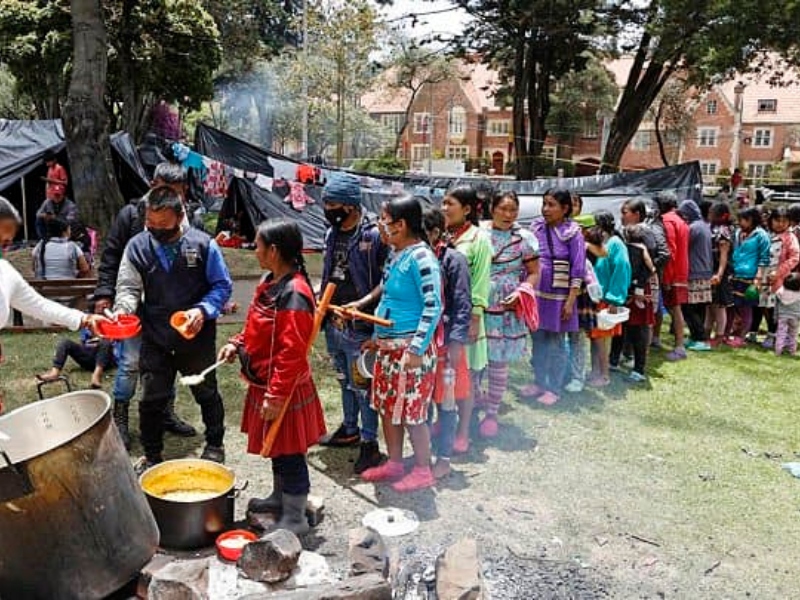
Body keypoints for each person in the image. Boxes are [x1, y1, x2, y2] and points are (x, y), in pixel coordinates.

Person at [218, 219, 326, 535]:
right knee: (278, 447)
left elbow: (291, 353)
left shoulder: (295, 293)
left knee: (290, 452)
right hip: (267, 385)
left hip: (285, 390)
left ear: (274, 250)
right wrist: (235, 344)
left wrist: (276, 395)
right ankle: (280, 497)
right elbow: (255, 328)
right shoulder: (271, 282)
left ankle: (295, 517)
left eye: (258, 245)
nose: (255, 251)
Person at [113, 185, 233, 471]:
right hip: (155, 336)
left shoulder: (204, 245)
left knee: (206, 392)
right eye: (150, 225)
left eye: (163, 227)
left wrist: (202, 310)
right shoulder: (137, 247)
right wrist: (122, 311)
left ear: (180, 217)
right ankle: (152, 455)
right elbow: (128, 287)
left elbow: (222, 285)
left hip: (196, 336)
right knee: (152, 399)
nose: (156, 231)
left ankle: (215, 444)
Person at [94, 162, 198, 448]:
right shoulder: (130, 215)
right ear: (153, 185)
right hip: (133, 305)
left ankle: (165, 412)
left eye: (176, 195)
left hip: (170, 308)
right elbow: (112, 256)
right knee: (129, 362)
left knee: (169, 360)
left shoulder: (188, 220)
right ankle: (121, 417)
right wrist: (104, 293)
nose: (170, 201)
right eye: (164, 192)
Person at [360, 196, 443, 492]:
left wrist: (417, 350)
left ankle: (423, 469)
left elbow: (433, 306)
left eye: (384, 219)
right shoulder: (396, 254)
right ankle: (395, 462)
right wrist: (375, 339)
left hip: (410, 352)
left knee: (412, 413)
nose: (380, 225)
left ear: (401, 224)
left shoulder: (422, 258)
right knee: (387, 407)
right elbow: (389, 298)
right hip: (387, 349)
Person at [0, 197, 105, 412]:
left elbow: (39, 305)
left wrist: (84, 319)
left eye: (5, 244)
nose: (2, 249)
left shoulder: (5, 273)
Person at [317, 173, 388, 475]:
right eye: (327, 203)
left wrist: (360, 305)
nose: (328, 209)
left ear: (350, 205)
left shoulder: (373, 236)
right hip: (333, 320)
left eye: (333, 204)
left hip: (361, 326)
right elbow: (329, 272)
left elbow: (388, 279)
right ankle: (349, 429)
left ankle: (370, 444)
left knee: (363, 386)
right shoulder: (331, 234)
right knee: (343, 380)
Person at [480, 191, 538, 434]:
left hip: (506, 307)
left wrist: (523, 290)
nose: (508, 214)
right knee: (474, 359)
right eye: (503, 208)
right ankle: (471, 404)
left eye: (513, 209)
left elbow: (535, 272)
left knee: (498, 361)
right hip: (479, 303)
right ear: (492, 209)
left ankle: (492, 412)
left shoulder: (524, 238)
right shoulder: (478, 234)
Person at [524, 188, 586, 405]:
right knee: (537, 338)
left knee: (556, 342)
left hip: (559, 296)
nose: (546, 209)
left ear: (565, 208)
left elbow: (578, 268)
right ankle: (539, 381)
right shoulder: (536, 228)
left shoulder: (573, 232)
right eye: (544, 204)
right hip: (538, 293)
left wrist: (570, 301)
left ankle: (554, 387)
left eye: (551, 205)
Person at [441, 185, 491, 452]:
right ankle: (445, 423)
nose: (444, 208)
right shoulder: (447, 236)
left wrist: (475, 317)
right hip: (445, 318)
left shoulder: (478, 239)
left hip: (467, 319)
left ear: (468, 209)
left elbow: (482, 281)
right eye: (443, 203)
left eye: (450, 203)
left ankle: (464, 432)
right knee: (446, 373)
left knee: (467, 377)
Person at [422, 206, 471, 479]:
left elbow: (463, 303)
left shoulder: (454, 260)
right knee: (422, 401)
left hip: (446, 342)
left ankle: (444, 457)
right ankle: (424, 453)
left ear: (435, 232)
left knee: (446, 403)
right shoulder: (415, 257)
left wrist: (455, 343)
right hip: (422, 342)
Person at [588, 210, 631, 387]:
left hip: (606, 300)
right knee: (594, 337)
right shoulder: (601, 243)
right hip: (596, 298)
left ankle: (604, 375)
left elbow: (622, 270)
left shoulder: (615, 244)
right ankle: (594, 371)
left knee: (601, 339)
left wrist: (614, 299)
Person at [610, 224, 657, 383]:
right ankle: (634, 368)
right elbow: (652, 269)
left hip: (628, 293)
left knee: (623, 330)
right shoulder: (643, 249)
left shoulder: (627, 248)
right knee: (635, 332)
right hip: (638, 294)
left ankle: (617, 362)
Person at [725, 207, 771, 346]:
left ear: (751, 220)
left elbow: (764, 258)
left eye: (742, 220)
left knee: (746, 308)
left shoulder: (762, 235)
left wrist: (757, 279)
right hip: (735, 275)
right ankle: (726, 334)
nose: (739, 223)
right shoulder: (738, 232)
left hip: (750, 277)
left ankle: (742, 337)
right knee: (731, 306)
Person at [757, 207, 799, 349]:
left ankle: (781, 336)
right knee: (766, 307)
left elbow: (795, 257)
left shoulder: (790, 237)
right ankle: (771, 333)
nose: (780, 224)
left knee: (779, 309)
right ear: (771, 221)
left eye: (784, 221)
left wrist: (779, 272)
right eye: (777, 220)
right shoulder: (766, 235)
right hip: (764, 277)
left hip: (781, 279)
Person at [656, 193, 690, 360]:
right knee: (662, 305)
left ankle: (679, 346)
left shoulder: (667, 221)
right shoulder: (680, 220)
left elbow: (670, 251)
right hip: (681, 270)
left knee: (674, 308)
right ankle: (655, 338)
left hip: (672, 273)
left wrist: (667, 278)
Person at [677, 199, 713, 351]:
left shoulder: (692, 228)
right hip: (705, 271)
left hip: (694, 273)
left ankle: (700, 338)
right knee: (700, 308)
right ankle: (696, 337)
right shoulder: (704, 226)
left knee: (689, 307)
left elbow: (682, 246)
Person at [36, 327, 117, 389]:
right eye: (99, 306)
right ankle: (54, 373)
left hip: (105, 359)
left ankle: (96, 376)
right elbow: (83, 343)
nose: (103, 307)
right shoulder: (87, 325)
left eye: (105, 305)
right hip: (88, 356)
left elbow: (115, 343)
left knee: (105, 343)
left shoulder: (109, 323)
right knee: (64, 342)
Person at [704, 202, 734, 346]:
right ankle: (706, 332)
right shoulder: (711, 228)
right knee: (709, 305)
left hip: (719, 272)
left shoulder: (724, 231)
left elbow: (724, 255)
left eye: (712, 212)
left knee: (720, 305)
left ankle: (720, 335)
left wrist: (719, 274)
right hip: (709, 270)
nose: (709, 215)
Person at [774, 273, 800, 356]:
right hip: (795, 317)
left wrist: (775, 316)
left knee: (781, 334)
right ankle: (792, 351)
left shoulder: (780, 292)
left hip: (782, 317)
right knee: (793, 335)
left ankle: (778, 351)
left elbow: (776, 306)